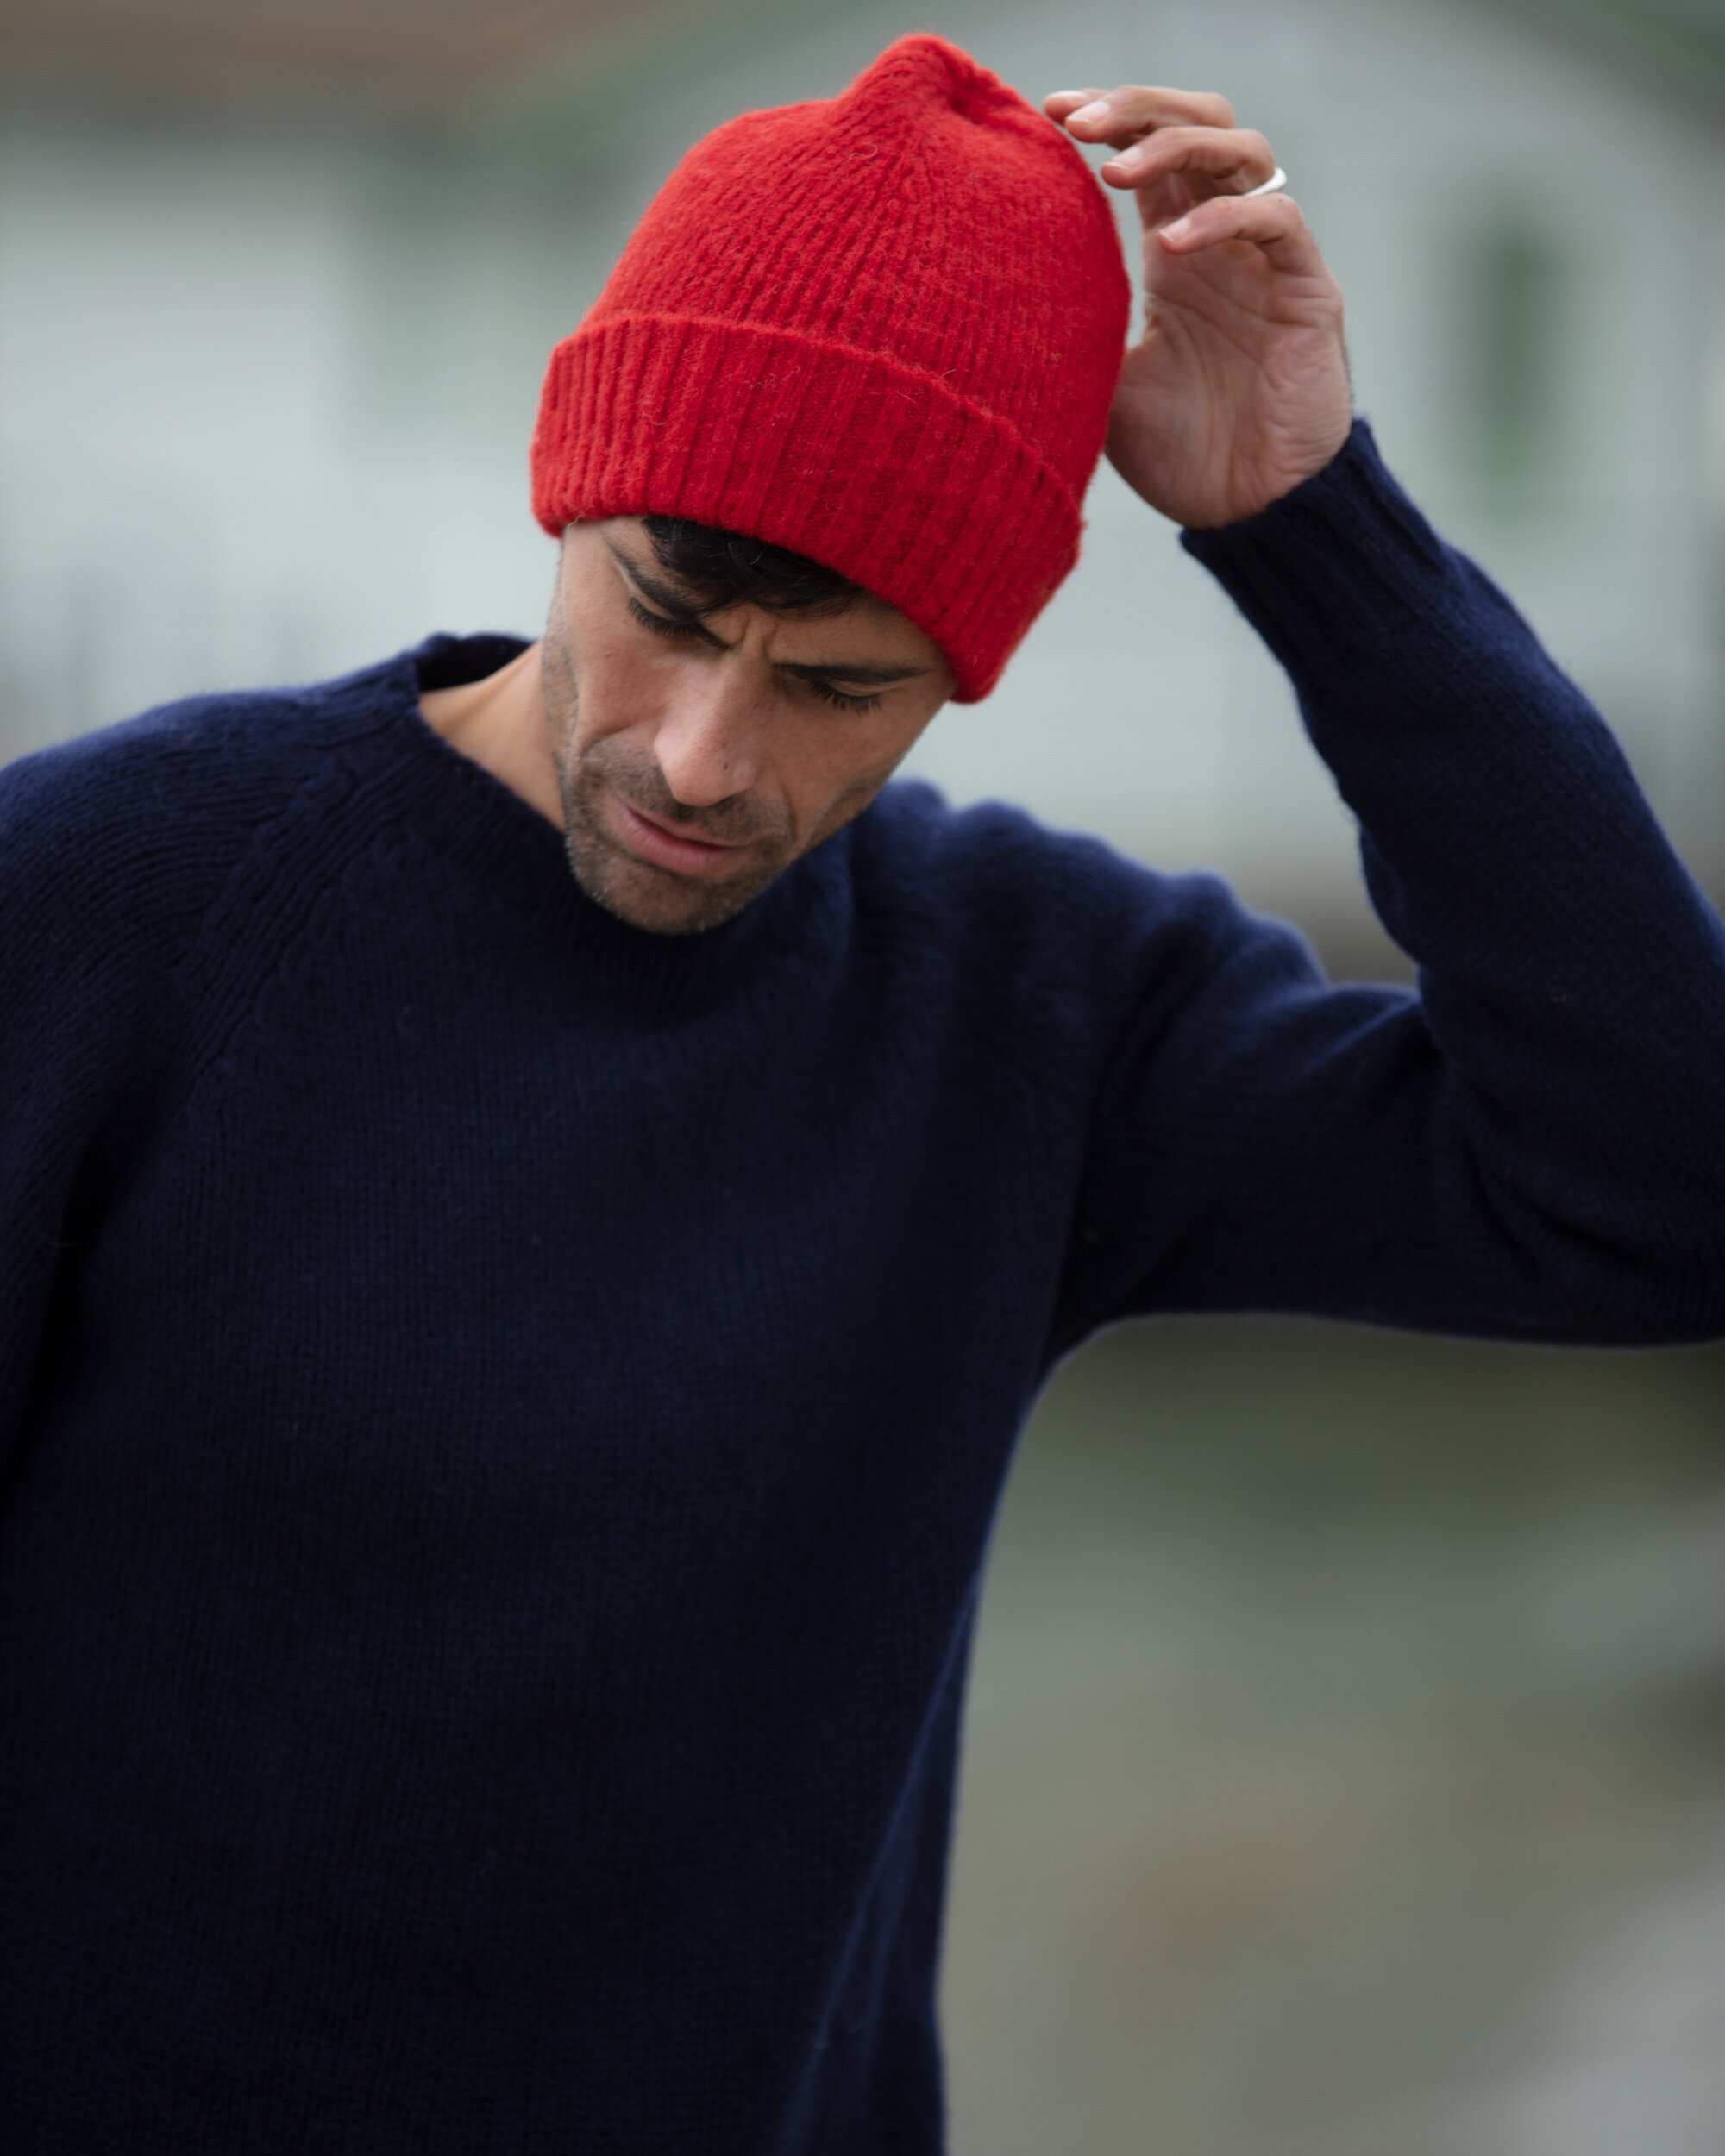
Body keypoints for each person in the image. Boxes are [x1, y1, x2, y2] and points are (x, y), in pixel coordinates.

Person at [1, 30, 1719, 2156]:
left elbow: (1659, 1186)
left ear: (964, 661)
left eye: (839, 685)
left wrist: (1316, 534)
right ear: (571, 486)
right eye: (666, 610)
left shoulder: (1045, 1017)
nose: (710, 755)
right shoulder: (106, 899)